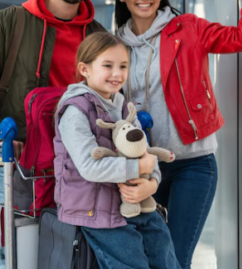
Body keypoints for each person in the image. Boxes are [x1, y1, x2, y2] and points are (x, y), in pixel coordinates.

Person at [114, 0, 242, 267]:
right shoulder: (113, 44)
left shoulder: (188, 29)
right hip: (142, 168)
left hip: (192, 165)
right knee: (146, 257)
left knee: (175, 259)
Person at [0, 0, 105, 267]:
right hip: (21, 170)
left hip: (80, 172)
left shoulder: (97, 35)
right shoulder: (11, 22)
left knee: (71, 258)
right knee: (12, 257)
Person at [53, 32, 181, 269]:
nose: (117, 73)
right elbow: (90, 167)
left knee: (165, 255)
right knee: (131, 262)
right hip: (95, 212)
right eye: (108, 65)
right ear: (85, 69)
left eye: (123, 66)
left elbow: (147, 154)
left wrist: (152, 183)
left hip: (134, 203)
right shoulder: (75, 112)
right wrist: (138, 167)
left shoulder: (124, 107)